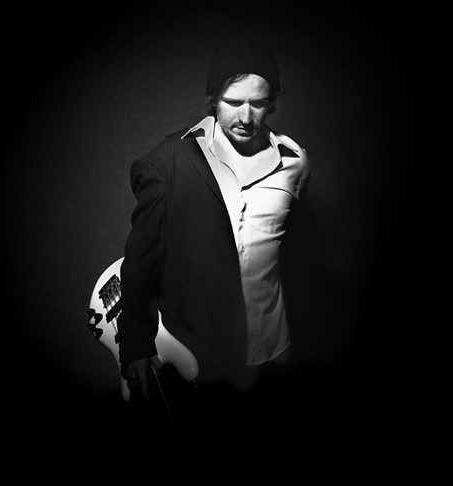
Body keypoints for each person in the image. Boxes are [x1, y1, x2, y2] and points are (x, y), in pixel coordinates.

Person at [115, 37, 310, 434]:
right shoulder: (169, 161)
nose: (245, 116)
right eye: (233, 102)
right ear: (212, 100)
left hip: (271, 348)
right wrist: (135, 344)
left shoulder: (295, 163)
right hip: (196, 355)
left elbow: (288, 247)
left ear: (272, 102)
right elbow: (140, 258)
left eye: (258, 103)